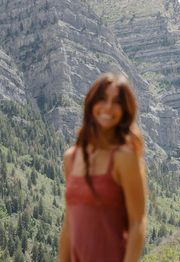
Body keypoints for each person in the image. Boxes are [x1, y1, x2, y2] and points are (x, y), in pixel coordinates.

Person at [58, 72, 147, 262]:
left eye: (117, 102)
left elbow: (137, 223)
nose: (108, 107)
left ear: (124, 111)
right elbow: (69, 225)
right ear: (91, 104)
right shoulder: (71, 158)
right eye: (103, 99)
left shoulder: (125, 158)